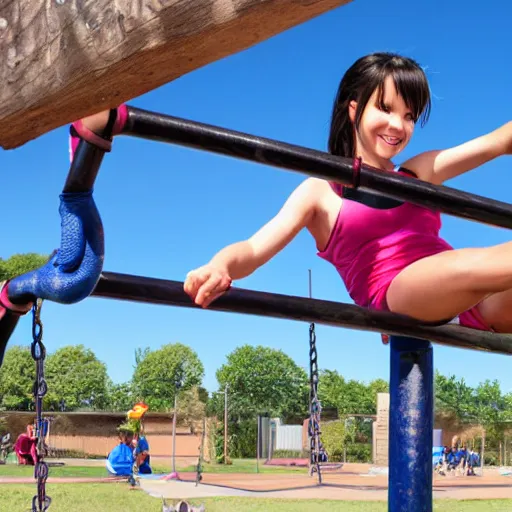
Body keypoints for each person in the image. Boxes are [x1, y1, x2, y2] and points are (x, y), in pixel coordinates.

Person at [74, 52, 512, 331]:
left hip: (469, 299)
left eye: (409, 114)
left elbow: (497, 141)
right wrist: (220, 264)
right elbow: (254, 247)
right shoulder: (320, 191)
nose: (398, 125)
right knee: (481, 262)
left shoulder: (419, 171)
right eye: (385, 108)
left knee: (486, 269)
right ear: (354, 108)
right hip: (398, 292)